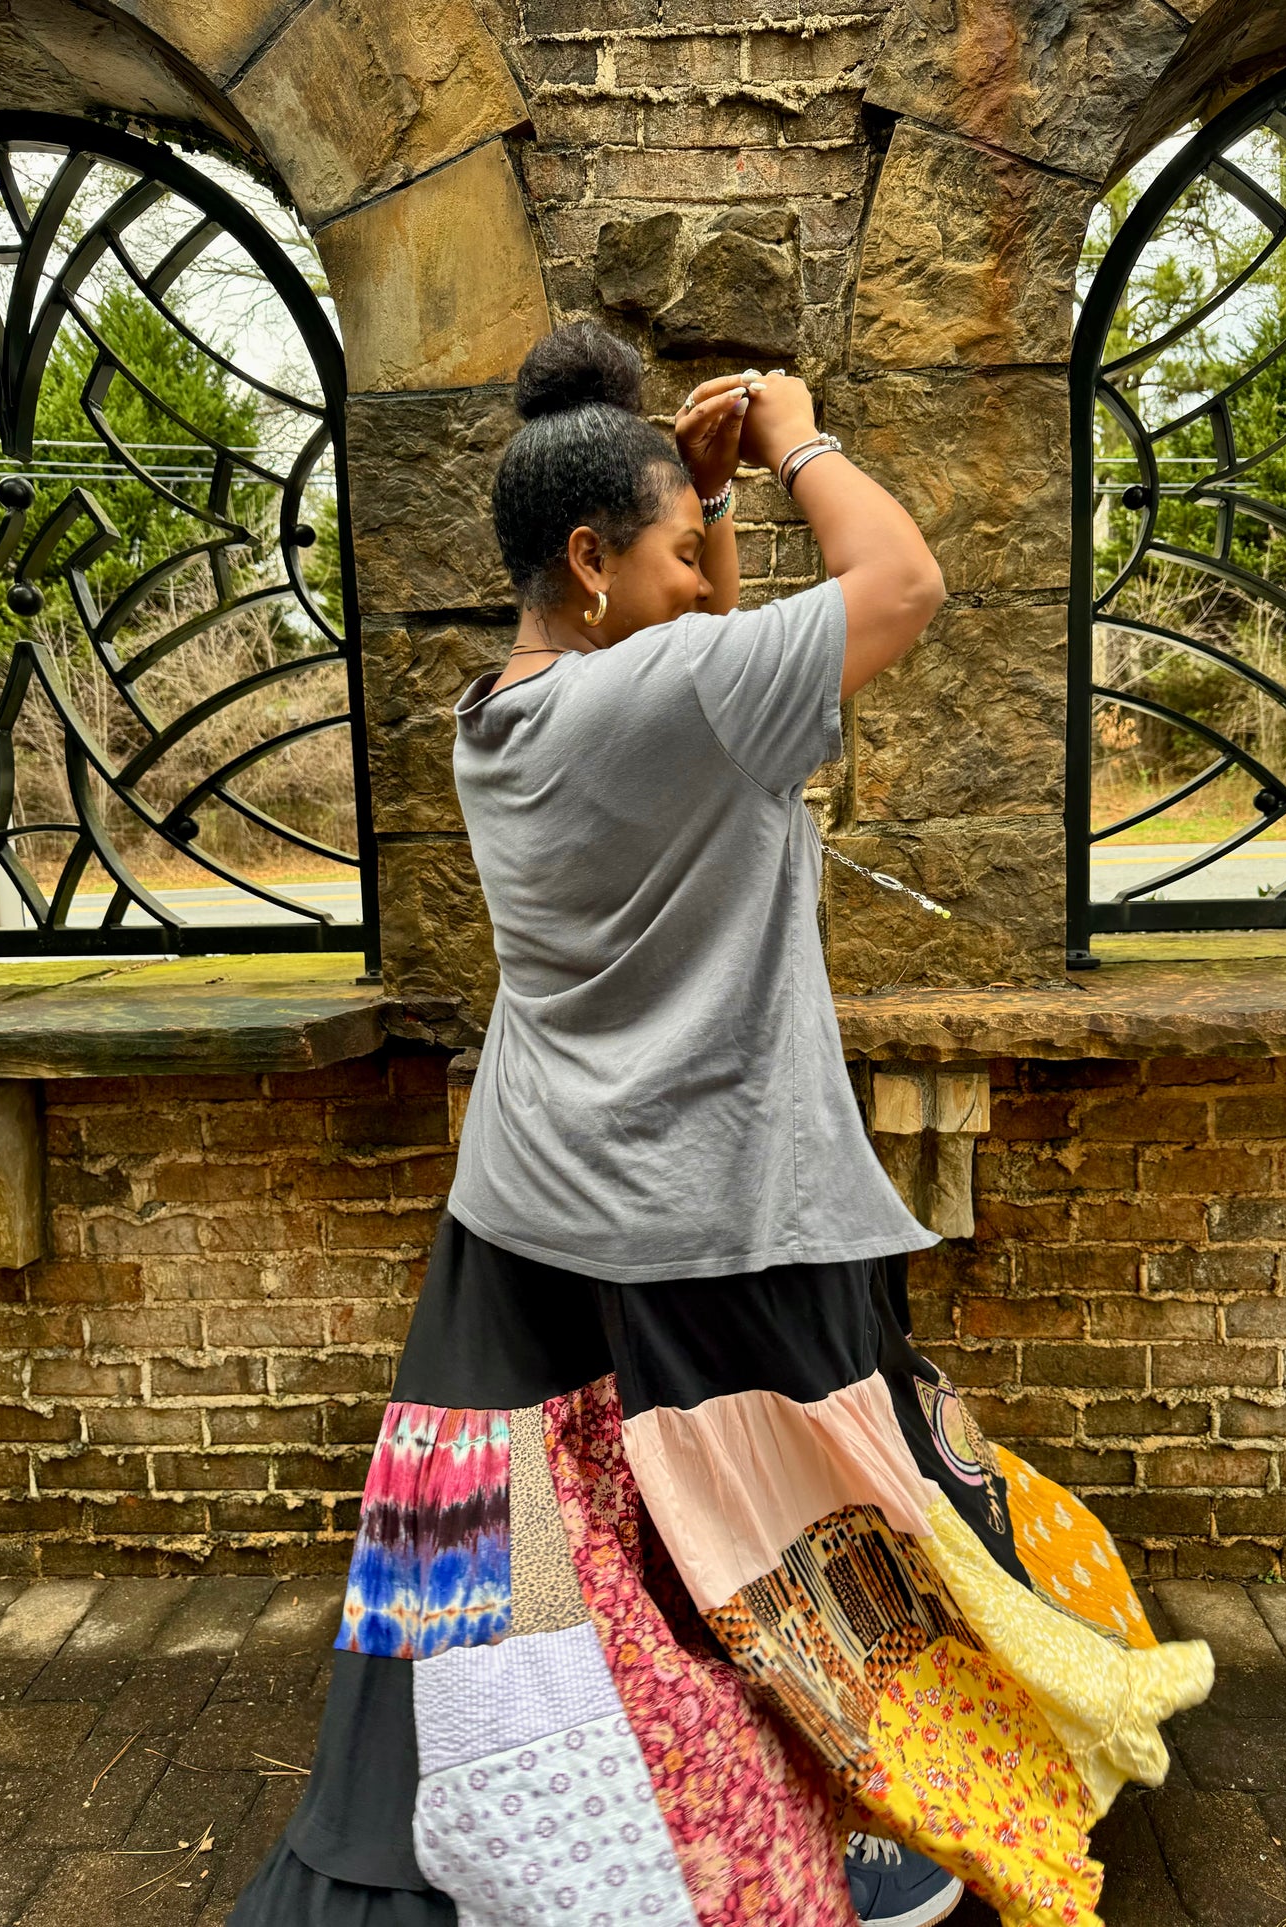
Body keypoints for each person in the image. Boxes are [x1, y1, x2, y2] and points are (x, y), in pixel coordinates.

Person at [231, 324, 1213, 1927]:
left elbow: (710, 667)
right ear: (588, 559)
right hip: (716, 1199)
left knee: (518, 1549)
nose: (704, 582)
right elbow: (900, 586)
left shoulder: (500, 713)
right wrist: (797, 439)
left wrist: (705, 515)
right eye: (680, 553)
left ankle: (507, 1811)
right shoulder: (670, 697)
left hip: (532, 1200)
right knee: (820, 1518)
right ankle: (878, 1807)